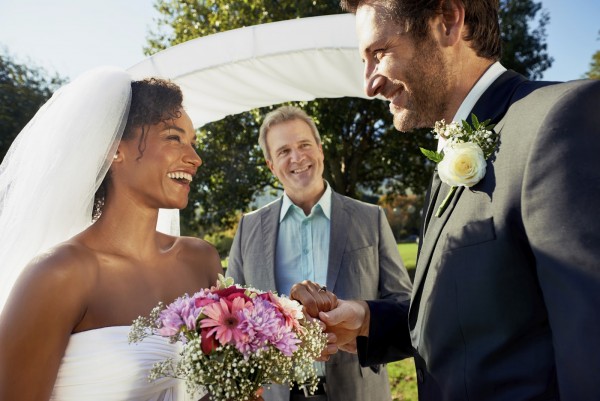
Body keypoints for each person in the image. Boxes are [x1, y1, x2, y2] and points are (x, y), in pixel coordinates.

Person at [291, 0, 600, 400]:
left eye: (379, 52)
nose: (369, 83)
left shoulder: (561, 122)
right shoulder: (445, 163)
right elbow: (483, 315)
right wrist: (368, 320)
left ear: (448, 21)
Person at [0, 67, 223, 401]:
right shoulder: (59, 275)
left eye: (192, 143)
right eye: (174, 138)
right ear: (115, 150)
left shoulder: (201, 260)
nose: (195, 158)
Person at [226, 105, 412, 401]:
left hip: (358, 390)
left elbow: (403, 302)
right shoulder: (249, 227)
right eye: (283, 151)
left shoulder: (370, 218)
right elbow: (231, 311)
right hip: (278, 392)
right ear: (271, 165)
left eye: (304, 145)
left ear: (320, 150)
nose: (297, 157)